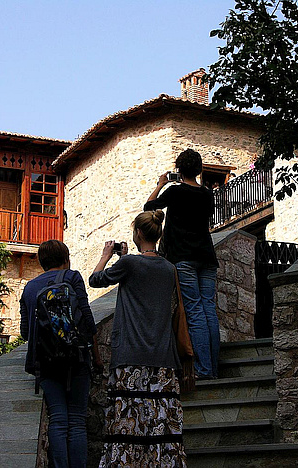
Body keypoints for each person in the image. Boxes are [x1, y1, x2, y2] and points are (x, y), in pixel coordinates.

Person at [89, 210, 186, 467]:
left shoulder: (129, 264)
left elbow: (95, 279)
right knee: (160, 424)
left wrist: (106, 256)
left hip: (130, 357)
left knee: (127, 425)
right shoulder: (169, 268)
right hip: (164, 359)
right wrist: (125, 258)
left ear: (138, 233)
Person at [20, 240, 101, 468]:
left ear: (42, 262)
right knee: (76, 421)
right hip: (77, 357)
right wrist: (96, 355)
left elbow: (26, 333)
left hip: (45, 362)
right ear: (65, 258)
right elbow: (86, 317)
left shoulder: (29, 288)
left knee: (58, 419)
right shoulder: (72, 277)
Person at [145, 148, 221, 380]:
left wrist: (160, 184)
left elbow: (148, 207)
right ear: (199, 169)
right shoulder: (208, 194)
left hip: (184, 257)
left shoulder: (174, 192)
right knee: (209, 309)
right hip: (206, 256)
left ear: (179, 169)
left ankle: (204, 369)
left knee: (195, 311)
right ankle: (213, 367)